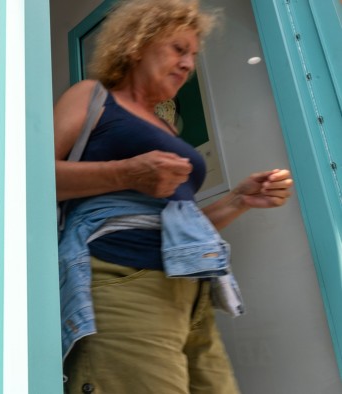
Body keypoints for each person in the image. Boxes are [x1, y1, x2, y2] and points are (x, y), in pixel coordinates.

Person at [54, 1, 294, 393]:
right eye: (178, 49)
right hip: (123, 282)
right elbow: (31, 179)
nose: (188, 64)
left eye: (194, 55)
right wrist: (126, 173)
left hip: (192, 291)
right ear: (136, 44)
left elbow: (177, 223)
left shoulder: (165, 126)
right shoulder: (92, 97)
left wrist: (239, 200)